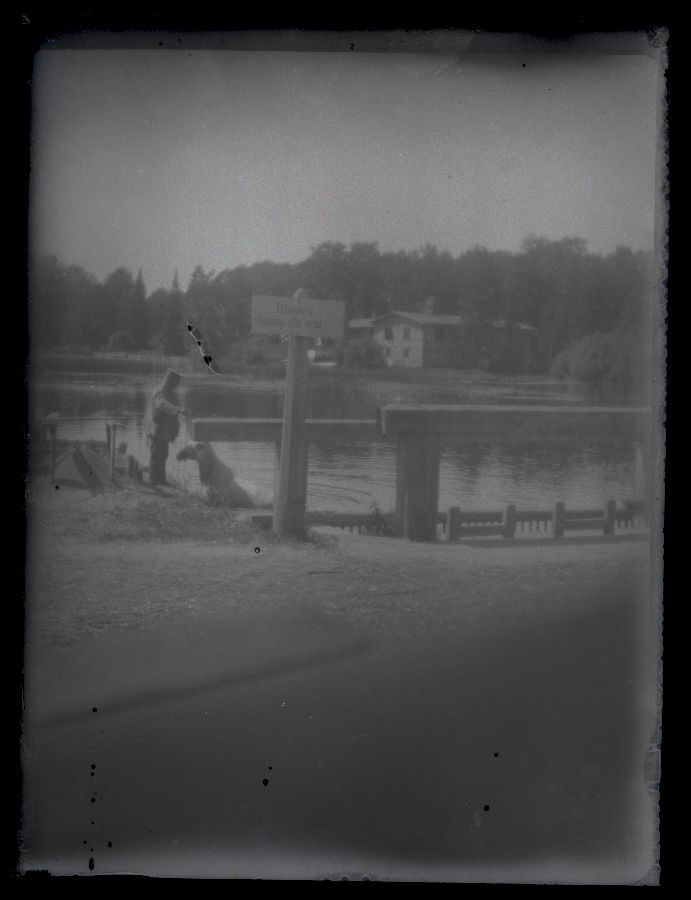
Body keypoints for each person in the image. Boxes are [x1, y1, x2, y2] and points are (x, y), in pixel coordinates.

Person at [145, 369, 183, 486]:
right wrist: (177, 410)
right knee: (156, 456)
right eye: (176, 383)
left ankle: (160, 480)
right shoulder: (161, 391)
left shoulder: (166, 390)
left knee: (163, 455)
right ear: (170, 380)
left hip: (162, 432)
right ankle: (153, 481)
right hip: (157, 431)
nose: (176, 386)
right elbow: (162, 404)